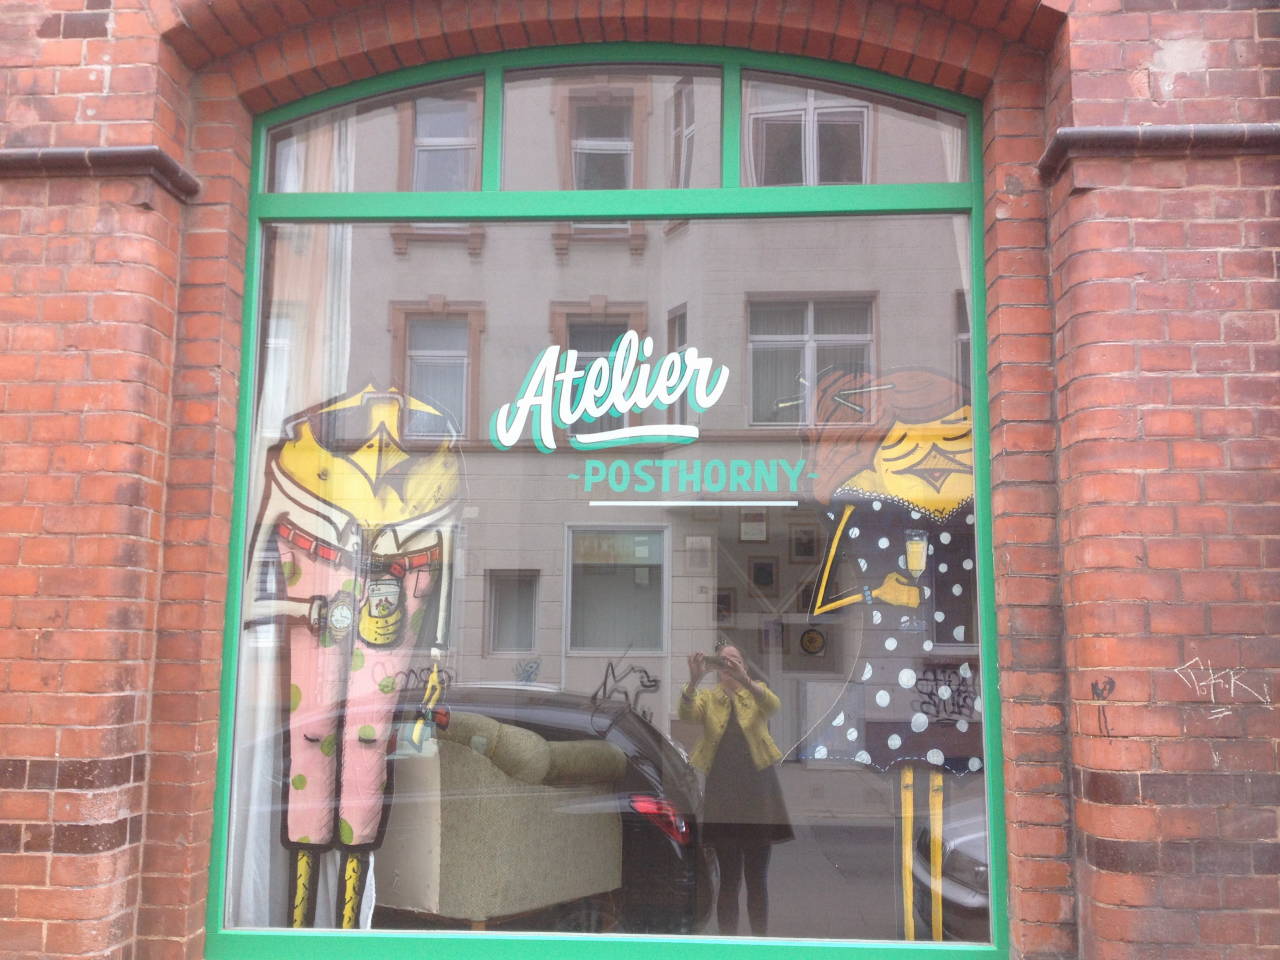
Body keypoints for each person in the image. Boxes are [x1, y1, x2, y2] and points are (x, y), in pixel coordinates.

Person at [680, 645, 793, 937]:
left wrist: (746, 680)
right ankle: (729, 946)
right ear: (717, 668)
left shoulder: (756, 692)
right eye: (724, 662)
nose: (730, 666)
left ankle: (759, 946)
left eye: (736, 660)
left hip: (759, 795)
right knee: (729, 879)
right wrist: (693, 681)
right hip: (723, 796)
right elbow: (687, 713)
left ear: (744, 665)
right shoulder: (709, 698)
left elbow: (773, 706)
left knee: (757, 878)